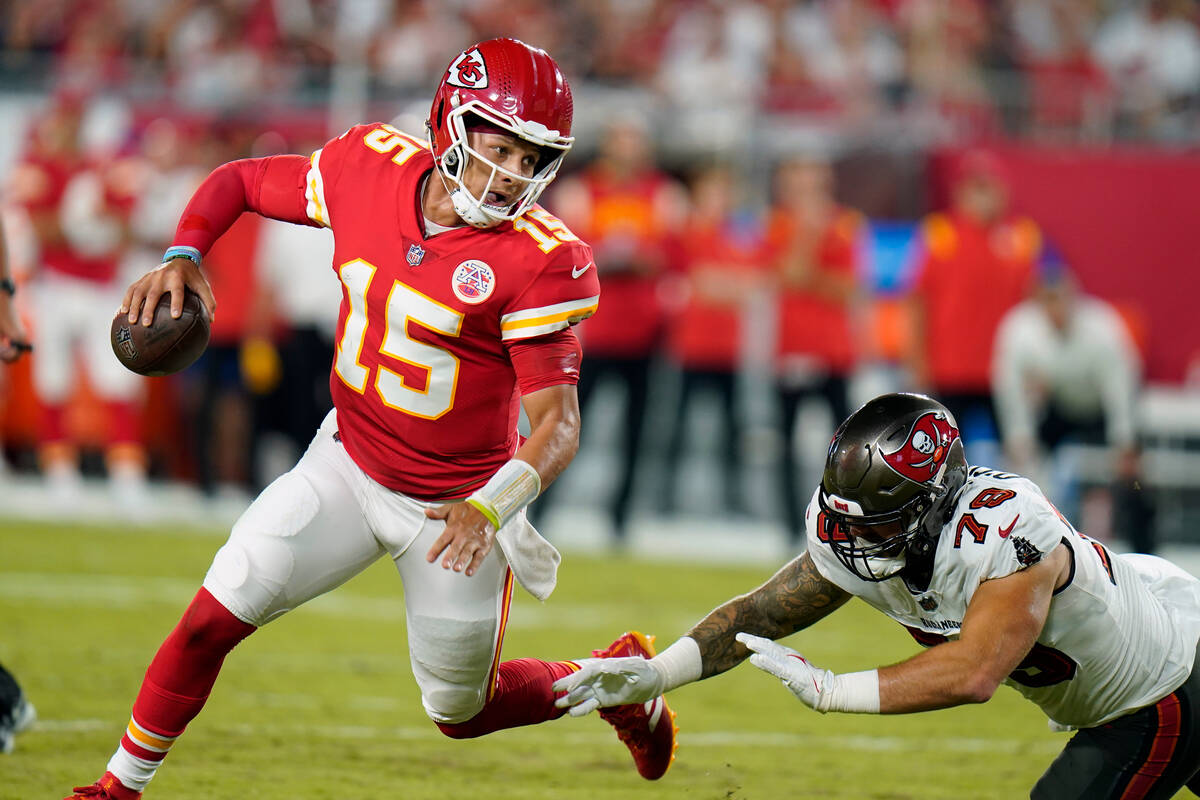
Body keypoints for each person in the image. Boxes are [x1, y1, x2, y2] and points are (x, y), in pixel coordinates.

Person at [65, 39, 675, 800]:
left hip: (455, 509)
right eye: (500, 146)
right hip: (347, 464)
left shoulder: (543, 259)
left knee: (460, 711)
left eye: (533, 157)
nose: (514, 173)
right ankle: (117, 789)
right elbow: (243, 180)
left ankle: (614, 681)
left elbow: (558, 425)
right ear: (450, 121)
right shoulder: (368, 169)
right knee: (209, 618)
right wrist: (186, 249)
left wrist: (491, 507)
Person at [554, 392, 1200, 798]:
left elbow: (975, 671)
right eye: (846, 519)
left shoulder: (1007, 533)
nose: (849, 539)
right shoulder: (867, 531)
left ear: (934, 502)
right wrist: (657, 675)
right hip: (1142, 648)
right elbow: (762, 614)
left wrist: (836, 691)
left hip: (1161, 690)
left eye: (874, 522)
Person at [533, 112, 687, 542]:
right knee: (562, 427)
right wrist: (620, 258)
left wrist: (632, 260)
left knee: (636, 435)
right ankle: (540, 510)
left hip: (645, 333)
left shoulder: (664, 194)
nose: (628, 149)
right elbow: (567, 253)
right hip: (591, 332)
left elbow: (673, 258)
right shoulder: (583, 190)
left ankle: (620, 520)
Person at [10, 93, 148, 508]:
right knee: (54, 380)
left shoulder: (104, 170)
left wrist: (95, 226)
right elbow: (41, 230)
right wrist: (77, 222)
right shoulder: (40, 167)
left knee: (117, 379)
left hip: (102, 288)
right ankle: (58, 470)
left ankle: (126, 473)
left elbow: (126, 231)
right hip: (55, 285)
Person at [992, 248, 1150, 548]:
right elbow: (1008, 386)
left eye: (1061, 297)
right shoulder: (1019, 329)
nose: (1056, 308)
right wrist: (1019, 437)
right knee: (1024, 468)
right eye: (1048, 298)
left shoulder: (1102, 326)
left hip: (1102, 409)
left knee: (1135, 479)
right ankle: (1037, 541)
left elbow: (1120, 387)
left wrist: (1125, 441)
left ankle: (1143, 545)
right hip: (1061, 407)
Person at [905, 149, 1041, 452]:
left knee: (1016, 454)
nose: (983, 197)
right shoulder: (940, 234)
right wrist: (917, 363)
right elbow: (917, 303)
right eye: (975, 187)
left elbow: (1033, 307)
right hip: (950, 369)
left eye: (988, 187)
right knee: (945, 457)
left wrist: (1034, 366)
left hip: (1005, 368)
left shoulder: (1021, 236)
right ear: (960, 192)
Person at [764, 155, 865, 544]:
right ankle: (790, 526)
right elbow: (786, 274)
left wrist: (811, 275)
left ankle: (842, 521)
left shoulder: (846, 223)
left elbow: (848, 287)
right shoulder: (779, 223)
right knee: (785, 442)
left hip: (835, 351)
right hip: (791, 349)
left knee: (844, 447)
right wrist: (808, 237)